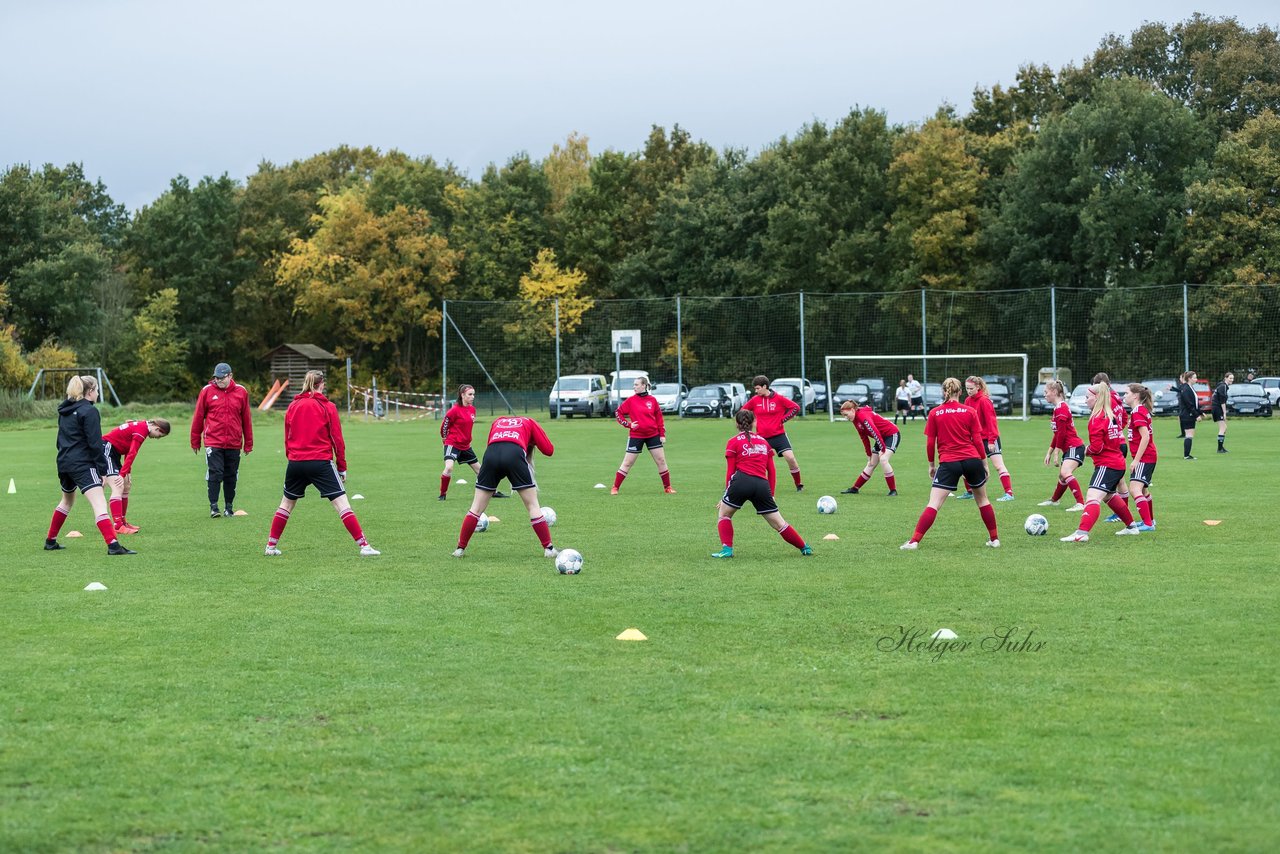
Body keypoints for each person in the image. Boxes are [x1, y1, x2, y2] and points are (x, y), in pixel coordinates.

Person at [264, 371, 379, 557]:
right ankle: (364, 546)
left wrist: (292, 457)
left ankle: (270, 546)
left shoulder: (292, 406)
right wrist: (342, 467)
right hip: (320, 462)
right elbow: (337, 440)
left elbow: (287, 436)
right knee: (342, 503)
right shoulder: (328, 407)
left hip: (296, 463)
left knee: (286, 504)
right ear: (322, 384)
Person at [901, 377, 1000, 550]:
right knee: (983, 500)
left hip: (949, 462)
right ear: (960, 392)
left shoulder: (934, 413)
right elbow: (977, 440)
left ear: (943, 392)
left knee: (934, 504)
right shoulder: (970, 411)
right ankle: (994, 539)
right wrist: (984, 463)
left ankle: (914, 542)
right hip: (972, 460)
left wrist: (931, 465)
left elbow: (931, 443)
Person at [44, 375, 136, 555]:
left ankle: (50, 541)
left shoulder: (65, 410)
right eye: (97, 390)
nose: (98, 393)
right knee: (100, 505)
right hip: (82, 464)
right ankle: (113, 546)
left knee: (67, 501)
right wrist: (102, 471)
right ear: (90, 391)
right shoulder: (90, 411)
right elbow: (95, 444)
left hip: (64, 463)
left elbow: (59, 441)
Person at [452, 413, 558, 558]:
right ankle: (549, 549)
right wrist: (531, 440)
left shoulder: (498, 421)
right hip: (514, 454)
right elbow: (549, 450)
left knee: (476, 508)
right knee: (533, 505)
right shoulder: (529, 422)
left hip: (491, 455)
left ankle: (459, 549)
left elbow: (492, 442)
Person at [711, 409, 813, 559]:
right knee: (779, 524)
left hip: (741, 482)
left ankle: (727, 550)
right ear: (754, 423)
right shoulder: (764, 442)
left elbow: (730, 471)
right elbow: (771, 471)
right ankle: (805, 547)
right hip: (761, 485)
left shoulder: (733, 442)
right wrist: (771, 494)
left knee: (724, 515)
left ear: (737, 424)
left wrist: (726, 493)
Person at [1059, 382, 1140, 542]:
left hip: (1108, 464)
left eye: (1087, 397)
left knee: (1092, 497)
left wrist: (1085, 451)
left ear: (1096, 398)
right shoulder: (1110, 415)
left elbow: (1097, 447)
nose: (1085, 400)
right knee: (1109, 495)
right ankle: (1132, 527)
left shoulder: (1097, 419)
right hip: (1116, 462)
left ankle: (1081, 533)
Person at [191, 362, 254, 518]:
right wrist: (195, 440)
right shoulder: (206, 391)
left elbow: (246, 418)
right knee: (215, 473)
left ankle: (228, 507)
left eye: (221, 378)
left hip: (234, 442)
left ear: (230, 376)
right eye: (216, 378)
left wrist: (248, 443)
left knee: (231, 475)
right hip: (214, 441)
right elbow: (198, 417)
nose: (218, 381)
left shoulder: (241, 392)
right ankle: (214, 507)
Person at [101, 418, 171, 533]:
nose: (156, 438)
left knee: (126, 485)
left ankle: (123, 522)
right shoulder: (141, 430)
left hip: (115, 452)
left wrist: (127, 472)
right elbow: (133, 452)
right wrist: (122, 473)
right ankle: (118, 525)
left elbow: (129, 448)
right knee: (118, 486)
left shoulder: (143, 426)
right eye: (159, 435)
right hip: (107, 449)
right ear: (157, 428)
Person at [438, 384, 507, 501]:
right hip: (453, 444)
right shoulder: (453, 411)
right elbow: (444, 427)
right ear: (462, 395)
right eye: (470, 394)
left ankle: (493, 492)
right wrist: (445, 439)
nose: (473, 397)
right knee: (449, 468)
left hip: (466, 446)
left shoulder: (472, 409)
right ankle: (442, 494)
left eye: (473, 394)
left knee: (480, 470)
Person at [610, 376, 674, 495]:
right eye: (634, 385)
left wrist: (662, 434)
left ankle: (668, 487)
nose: (634, 387)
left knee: (661, 460)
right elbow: (618, 413)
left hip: (653, 435)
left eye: (636, 385)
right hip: (636, 436)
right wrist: (628, 424)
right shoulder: (631, 400)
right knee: (627, 463)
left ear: (644, 385)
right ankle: (615, 487)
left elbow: (659, 419)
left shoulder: (652, 400)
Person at [742, 375, 804, 491]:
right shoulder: (755, 400)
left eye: (757, 388)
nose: (756, 391)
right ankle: (747, 485)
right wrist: (752, 422)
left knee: (790, 458)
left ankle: (798, 484)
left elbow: (795, 408)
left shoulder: (779, 399)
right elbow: (743, 411)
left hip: (779, 435)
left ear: (765, 386)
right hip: (761, 438)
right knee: (755, 462)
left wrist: (783, 419)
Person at [960, 376, 1014, 501]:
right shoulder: (968, 401)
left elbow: (991, 422)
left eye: (971, 388)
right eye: (967, 388)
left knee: (998, 466)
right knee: (966, 465)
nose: (969, 391)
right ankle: (970, 492)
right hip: (975, 440)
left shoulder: (985, 401)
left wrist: (991, 440)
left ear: (978, 387)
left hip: (989, 438)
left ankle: (1009, 493)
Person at [1037, 379, 1086, 511]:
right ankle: (1054, 500)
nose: (1044, 395)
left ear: (1054, 392)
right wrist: (1049, 451)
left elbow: (1063, 434)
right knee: (1062, 476)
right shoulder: (1057, 409)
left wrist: (1056, 453)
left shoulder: (1062, 408)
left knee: (1065, 472)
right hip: (1070, 448)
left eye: (1046, 392)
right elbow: (1058, 433)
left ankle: (1081, 503)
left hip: (1074, 447)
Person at [839, 399, 900, 496]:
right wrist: (869, 455)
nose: (846, 418)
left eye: (846, 415)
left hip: (891, 434)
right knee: (871, 463)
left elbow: (874, 432)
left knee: (883, 459)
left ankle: (893, 490)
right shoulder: (855, 419)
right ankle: (855, 488)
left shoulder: (863, 416)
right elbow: (864, 437)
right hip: (881, 437)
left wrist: (883, 449)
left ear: (852, 410)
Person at [1125, 383, 1158, 532]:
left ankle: (1148, 524)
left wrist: (1136, 460)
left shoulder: (1138, 412)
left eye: (1126, 393)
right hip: (1149, 456)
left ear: (1135, 396)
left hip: (1145, 457)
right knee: (1143, 490)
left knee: (1134, 489)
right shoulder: (1140, 410)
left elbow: (1145, 437)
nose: (1124, 396)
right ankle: (1150, 520)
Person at [1177, 370, 1201, 459]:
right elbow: (1189, 404)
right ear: (1189, 379)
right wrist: (1196, 415)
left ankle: (1187, 455)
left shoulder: (1189, 387)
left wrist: (1200, 412)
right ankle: (1186, 455)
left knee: (1189, 434)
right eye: (1194, 378)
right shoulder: (1186, 389)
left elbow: (1194, 402)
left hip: (1188, 414)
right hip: (1187, 415)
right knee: (1189, 434)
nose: (1196, 379)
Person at [1212, 372, 1233, 453]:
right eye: (1230, 378)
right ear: (1225, 378)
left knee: (1224, 428)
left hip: (1217, 408)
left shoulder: (1223, 386)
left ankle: (1221, 447)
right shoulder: (1223, 386)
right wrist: (1224, 413)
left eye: (1232, 378)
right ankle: (1219, 449)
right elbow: (1222, 401)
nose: (1232, 380)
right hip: (1217, 408)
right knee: (1223, 428)